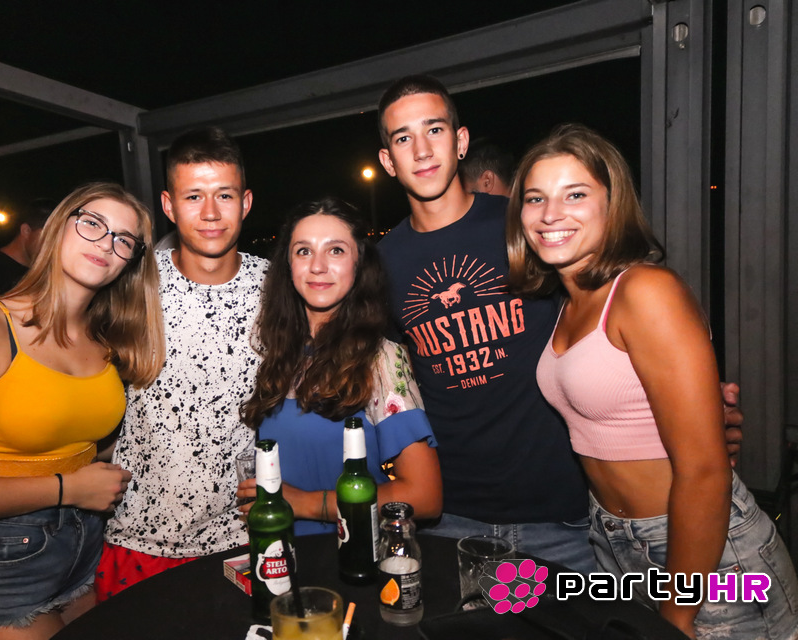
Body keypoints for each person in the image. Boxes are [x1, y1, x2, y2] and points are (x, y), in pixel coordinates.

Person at [373, 75, 745, 573]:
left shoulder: (530, 226)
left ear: (460, 141)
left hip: (566, 518)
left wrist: (694, 405)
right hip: (451, 517)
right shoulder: (380, 265)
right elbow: (386, 381)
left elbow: (619, 307)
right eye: (403, 138)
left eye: (434, 129)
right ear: (388, 160)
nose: (421, 150)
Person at [508, 123, 798, 639]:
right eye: (535, 198)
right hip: (613, 542)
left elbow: (705, 470)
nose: (550, 214)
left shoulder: (644, 290)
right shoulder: (569, 304)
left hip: (705, 556)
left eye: (575, 194)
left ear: (612, 203)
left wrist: (679, 612)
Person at [0, 182, 165, 639]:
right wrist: (68, 488)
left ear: (131, 261)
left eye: (124, 239)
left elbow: (76, 440)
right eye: (93, 224)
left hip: (86, 543)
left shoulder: (103, 339)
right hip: (6, 555)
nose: (105, 244)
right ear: (58, 227)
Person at [97, 127, 269, 601]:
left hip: (243, 537)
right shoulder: (130, 286)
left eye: (224, 195)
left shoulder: (278, 288)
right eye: (193, 196)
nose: (210, 213)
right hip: (140, 536)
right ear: (169, 206)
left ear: (246, 202)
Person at [238, 197, 441, 535]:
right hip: (283, 555)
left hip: (352, 554)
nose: (317, 266)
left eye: (335, 250)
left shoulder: (379, 359)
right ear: (288, 265)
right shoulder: (276, 354)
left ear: (359, 264)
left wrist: (305, 503)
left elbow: (425, 495)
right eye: (304, 251)